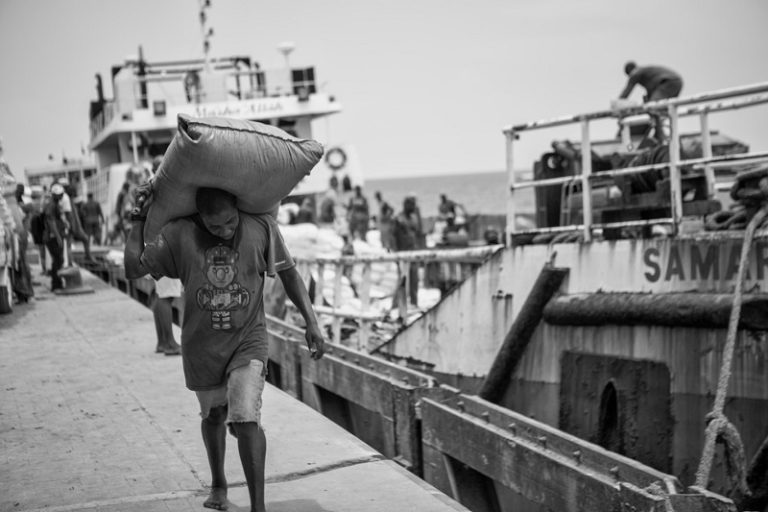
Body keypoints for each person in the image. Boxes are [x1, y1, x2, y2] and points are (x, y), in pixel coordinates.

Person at [124, 185, 325, 512]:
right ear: (199, 217)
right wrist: (138, 219)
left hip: (249, 340)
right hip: (201, 347)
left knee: (245, 418)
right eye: (215, 226)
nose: (226, 231)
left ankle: (258, 507)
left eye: (231, 222)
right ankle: (219, 484)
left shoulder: (261, 227)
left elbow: (289, 274)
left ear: (237, 208)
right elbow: (134, 268)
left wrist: (311, 322)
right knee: (214, 415)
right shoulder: (179, 234)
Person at [618, 62, 683, 141]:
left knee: (652, 107)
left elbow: (626, 92)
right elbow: (652, 93)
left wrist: (617, 105)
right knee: (660, 110)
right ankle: (660, 133)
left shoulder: (636, 72)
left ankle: (660, 135)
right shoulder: (647, 75)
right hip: (677, 82)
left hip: (667, 82)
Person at [393, 195, 424, 308]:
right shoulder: (399, 219)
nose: (414, 207)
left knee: (414, 280)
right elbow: (394, 237)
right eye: (412, 205)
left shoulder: (414, 218)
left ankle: (414, 303)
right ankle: (397, 305)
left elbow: (419, 233)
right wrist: (396, 254)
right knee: (402, 280)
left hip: (413, 252)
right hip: (403, 254)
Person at [43, 184, 67, 291]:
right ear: (55, 195)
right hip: (52, 237)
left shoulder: (55, 204)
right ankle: (56, 284)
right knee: (58, 260)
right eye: (60, 194)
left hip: (55, 235)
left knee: (58, 260)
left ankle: (57, 283)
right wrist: (58, 237)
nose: (61, 196)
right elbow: (51, 222)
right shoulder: (51, 205)